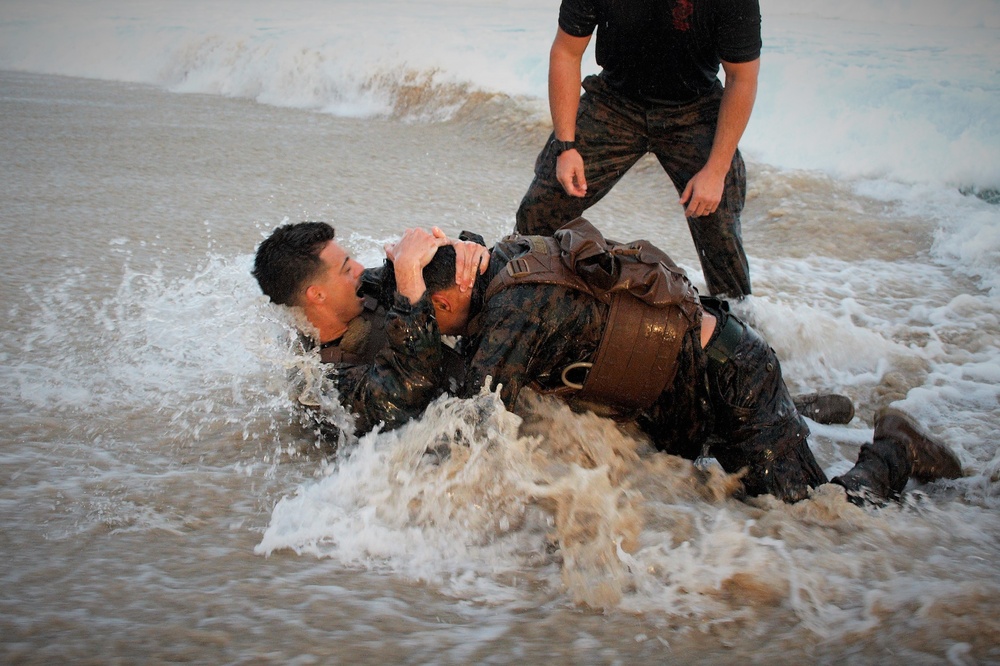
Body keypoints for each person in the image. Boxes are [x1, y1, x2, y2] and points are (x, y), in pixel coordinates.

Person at [398, 218, 963, 505]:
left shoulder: (510, 314)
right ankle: (802, 416)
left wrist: (407, 298)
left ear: (446, 300)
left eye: (433, 314)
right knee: (728, 465)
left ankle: (896, 448)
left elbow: (470, 421)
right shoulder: (503, 257)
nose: (437, 326)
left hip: (730, 373)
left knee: (817, 513)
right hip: (689, 381)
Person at [516, 0, 761, 299]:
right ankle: (528, 298)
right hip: (616, 101)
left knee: (720, 229)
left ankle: (739, 329)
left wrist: (716, 170)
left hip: (694, 109)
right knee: (539, 209)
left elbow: (742, 79)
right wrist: (566, 147)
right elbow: (566, 52)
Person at [251, 221, 487, 437]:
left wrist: (461, 250)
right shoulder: (317, 382)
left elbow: (434, 278)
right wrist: (407, 276)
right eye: (346, 269)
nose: (359, 268)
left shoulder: (359, 291)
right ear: (318, 294)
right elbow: (403, 398)